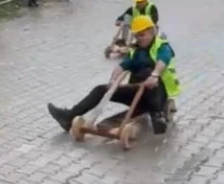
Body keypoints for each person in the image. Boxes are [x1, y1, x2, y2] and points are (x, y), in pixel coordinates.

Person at [47, 15, 177, 135]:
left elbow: (163, 60)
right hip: (137, 91)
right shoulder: (136, 50)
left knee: (148, 73)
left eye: (142, 35)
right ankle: (68, 117)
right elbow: (122, 66)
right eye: (137, 36)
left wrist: (154, 75)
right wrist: (113, 80)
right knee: (100, 89)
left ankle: (157, 115)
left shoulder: (162, 46)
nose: (139, 39)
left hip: (158, 93)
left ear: (151, 32)